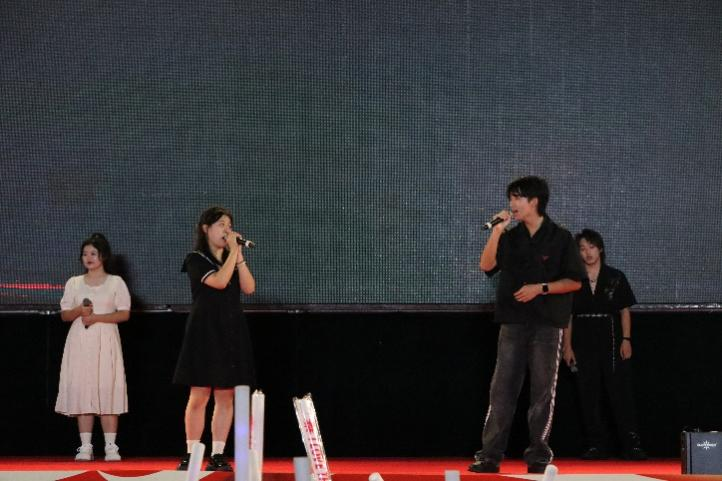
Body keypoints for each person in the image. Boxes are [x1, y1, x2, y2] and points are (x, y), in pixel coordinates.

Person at [469, 176, 585, 474]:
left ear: (534, 201)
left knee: (543, 391)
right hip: (513, 322)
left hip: (547, 324)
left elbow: (575, 281)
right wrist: (497, 232)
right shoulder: (510, 237)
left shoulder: (560, 237)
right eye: (511, 198)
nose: (512, 204)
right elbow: (486, 266)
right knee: (502, 390)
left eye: (517, 198)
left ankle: (539, 456)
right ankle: (490, 455)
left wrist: (541, 288)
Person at [174, 206, 256, 472]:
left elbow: (249, 287)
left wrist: (238, 256)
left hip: (230, 330)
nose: (227, 230)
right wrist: (232, 254)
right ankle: (191, 453)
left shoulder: (232, 259)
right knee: (199, 393)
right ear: (205, 228)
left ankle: (218, 454)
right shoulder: (195, 259)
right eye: (221, 225)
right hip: (204, 331)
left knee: (226, 395)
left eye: (229, 225)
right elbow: (219, 282)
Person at [562, 229, 646, 460]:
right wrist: (567, 346)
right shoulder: (573, 280)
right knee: (587, 393)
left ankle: (631, 444)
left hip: (611, 337)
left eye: (591, 247)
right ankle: (596, 445)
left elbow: (624, 311)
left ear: (600, 249)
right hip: (582, 338)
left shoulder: (615, 277)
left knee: (619, 391)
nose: (587, 253)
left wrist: (626, 339)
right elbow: (568, 316)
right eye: (582, 248)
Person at [55, 233, 131, 461]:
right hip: (80, 341)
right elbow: (65, 315)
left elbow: (124, 313)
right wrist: (79, 311)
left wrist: (97, 318)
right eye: (85, 254)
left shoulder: (115, 282)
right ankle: (85, 446)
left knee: (107, 388)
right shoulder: (74, 283)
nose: (88, 257)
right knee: (84, 389)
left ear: (103, 256)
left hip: (106, 340)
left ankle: (111, 446)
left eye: (93, 253)